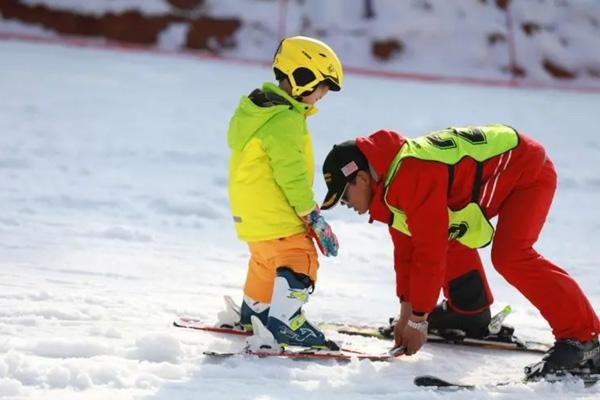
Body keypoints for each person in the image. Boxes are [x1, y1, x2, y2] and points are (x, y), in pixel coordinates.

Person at [320, 124, 600, 377]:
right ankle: (468, 310)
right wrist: (407, 313)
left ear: (362, 179)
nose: (346, 204)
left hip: (528, 171)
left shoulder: (411, 174)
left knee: (511, 255)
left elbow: (429, 254)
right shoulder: (393, 179)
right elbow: (407, 253)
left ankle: (582, 337)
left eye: (344, 195)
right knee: (440, 231)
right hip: (507, 170)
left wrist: (418, 322)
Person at [222, 36, 343, 350]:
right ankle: (286, 321)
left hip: (250, 213)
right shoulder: (285, 121)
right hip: (276, 211)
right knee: (300, 258)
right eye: (322, 88)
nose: (322, 97)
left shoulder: (259, 111)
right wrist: (311, 215)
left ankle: (256, 311)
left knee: (265, 261)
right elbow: (290, 173)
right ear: (304, 78)